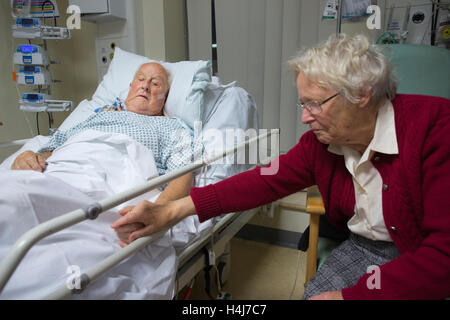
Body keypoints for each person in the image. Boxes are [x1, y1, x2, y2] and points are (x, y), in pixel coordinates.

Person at [111, 34, 450, 300]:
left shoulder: (436, 129)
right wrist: (173, 210)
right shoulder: (321, 146)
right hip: (366, 247)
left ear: (361, 94)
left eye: (315, 104)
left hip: (422, 252)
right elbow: (264, 181)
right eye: (302, 104)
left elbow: (443, 256)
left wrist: (352, 297)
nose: (304, 117)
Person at [11, 62, 196, 225]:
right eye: (140, 79)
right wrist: (30, 157)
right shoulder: (100, 115)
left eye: (155, 83)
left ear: (165, 97)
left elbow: (183, 174)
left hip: (110, 184)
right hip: (60, 170)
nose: (145, 86)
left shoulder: (171, 126)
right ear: (131, 87)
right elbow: (55, 146)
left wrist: (157, 211)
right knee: (13, 199)